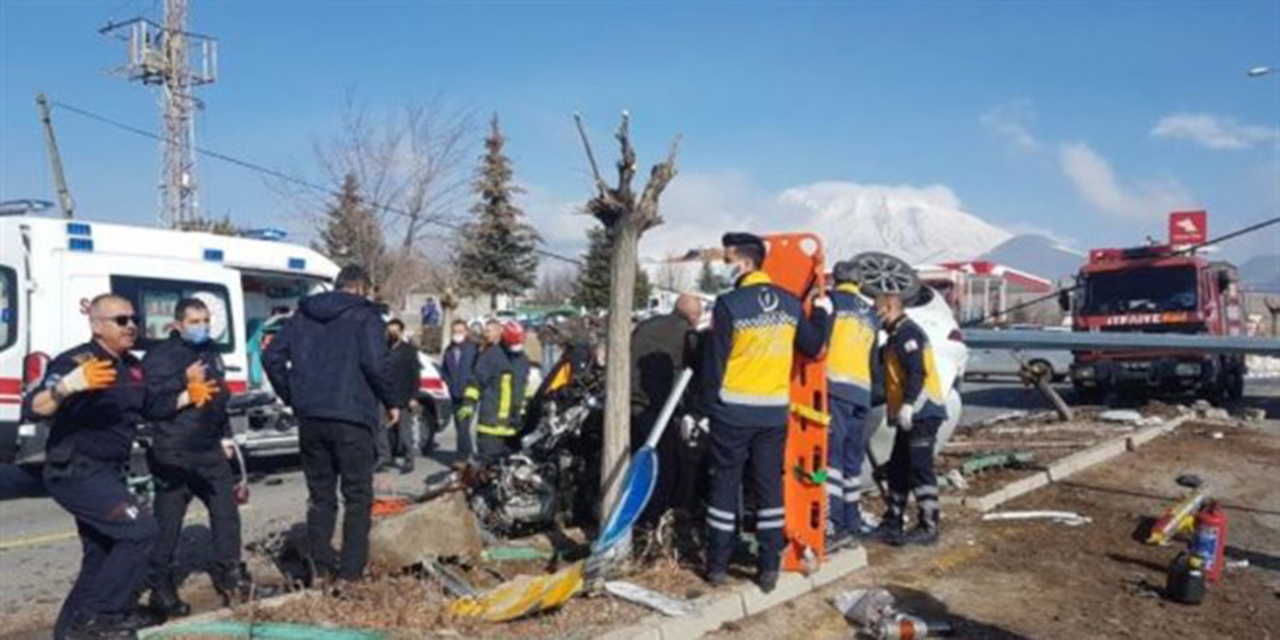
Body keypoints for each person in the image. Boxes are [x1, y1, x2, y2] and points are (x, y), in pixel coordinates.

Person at [22, 294, 163, 638]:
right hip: (75, 470)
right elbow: (34, 406)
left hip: (109, 471)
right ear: (97, 325)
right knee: (141, 530)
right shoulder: (77, 362)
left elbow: (151, 408)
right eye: (120, 320)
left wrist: (187, 396)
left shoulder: (131, 365)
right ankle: (100, 616)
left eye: (133, 319)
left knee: (100, 556)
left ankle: (69, 632)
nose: (131, 326)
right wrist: (68, 387)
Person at [700, 233, 828, 593]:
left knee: (724, 488)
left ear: (743, 263)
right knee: (770, 489)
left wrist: (706, 410)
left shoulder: (729, 304)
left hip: (732, 412)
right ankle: (768, 568)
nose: (725, 267)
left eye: (727, 260)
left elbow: (715, 363)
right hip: (772, 415)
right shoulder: (789, 305)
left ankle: (717, 567)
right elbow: (816, 348)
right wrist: (820, 312)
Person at [262, 265, 395, 584]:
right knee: (357, 497)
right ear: (362, 288)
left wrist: (294, 397)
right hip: (351, 417)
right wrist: (392, 401)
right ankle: (350, 575)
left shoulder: (303, 315)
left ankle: (319, 568)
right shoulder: (366, 317)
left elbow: (271, 358)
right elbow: (375, 365)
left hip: (311, 418)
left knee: (321, 496)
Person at [142, 298, 252, 618]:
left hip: (209, 448)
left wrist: (226, 436)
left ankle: (230, 573)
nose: (201, 326)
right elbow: (151, 404)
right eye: (194, 321)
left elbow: (218, 399)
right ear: (177, 325)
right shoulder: (161, 356)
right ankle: (160, 586)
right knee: (169, 520)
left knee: (226, 512)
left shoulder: (209, 352)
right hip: (174, 450)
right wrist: (184, 385)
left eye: (204, 320)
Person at [869, 290, 948, 546]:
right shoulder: (894, 336)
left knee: (919, 469)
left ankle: (929, 524)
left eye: (878, 309)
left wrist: (909, 405)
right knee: (898, 467)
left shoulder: (907, 334)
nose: (875, 315)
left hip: (922, 412)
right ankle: (893, 521)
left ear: (891, 307)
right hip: (910, 414)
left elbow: (917, 373)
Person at [629, 294, 703, 524]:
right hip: (659, 408)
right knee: (664, 466)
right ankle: (653, 520)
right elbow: (697, 370)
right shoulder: (686, 335)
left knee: (633, 464)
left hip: (629, 403)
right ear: (693, 316)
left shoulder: (646, 325)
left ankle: (631, 513)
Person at [822, 261, 881, 546]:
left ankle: (832, 522)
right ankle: (852, 519)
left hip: (836, 388)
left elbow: (818, 341)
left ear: (836, 279)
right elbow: (872, 359)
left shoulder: (832, 302)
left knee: (830, 458)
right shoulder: (870, 313)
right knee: (851, 460)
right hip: (862, 391)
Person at [461, 319, 517, 459]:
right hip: (491, 422)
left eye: (488, 330)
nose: (485, 334)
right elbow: (476, 381)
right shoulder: (489, 354)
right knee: (488, 466)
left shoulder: (512, 354)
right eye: (485, 331)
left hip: (510, 425)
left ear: (499, 331)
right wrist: (469, 403)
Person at [376, 318, 421, 474]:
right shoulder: (382, 349)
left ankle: (409, 458)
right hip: (384, 395)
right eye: (390, 331)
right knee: (381, 427)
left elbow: (415, 375)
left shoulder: (409, 351)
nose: (392, 334)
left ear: (401, 332)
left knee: (404, 430)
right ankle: (384, 457)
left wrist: (414, 397)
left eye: (395, 331)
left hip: (403, 395)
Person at [438, 319, 478, 457]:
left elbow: (477, 370)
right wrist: (448, 383)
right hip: (454, 394)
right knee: (459, 427)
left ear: (466, 332)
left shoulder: (473, 349)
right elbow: (444, 370)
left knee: (463, 427)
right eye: (455, 332)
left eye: (460, 331)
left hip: (469, 395)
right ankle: (465, 455)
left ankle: (464, 457)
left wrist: (472, 388)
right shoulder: (449, 350)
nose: (457, 334)